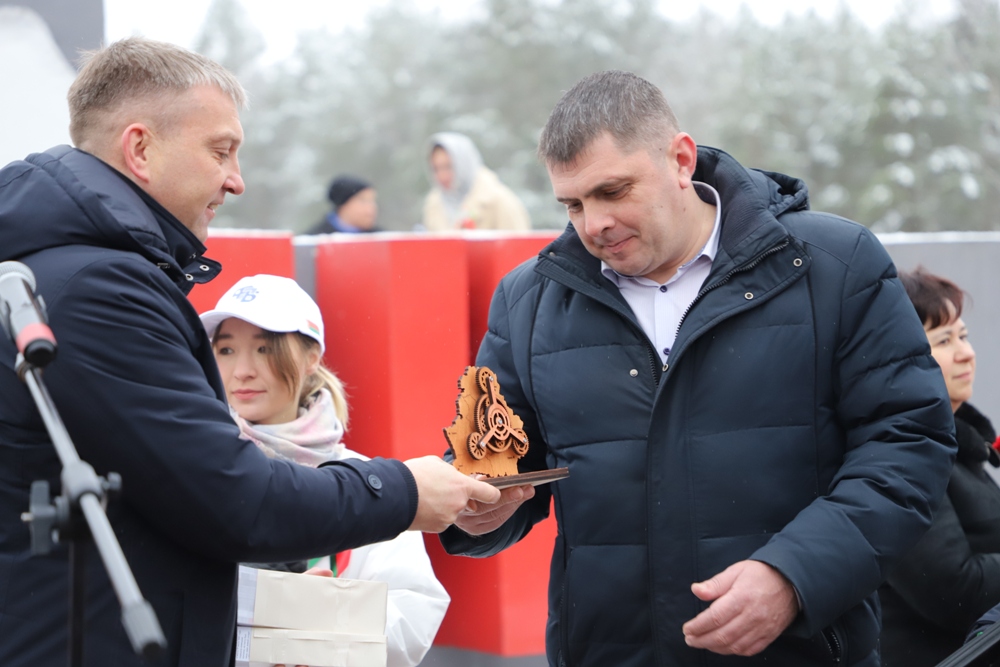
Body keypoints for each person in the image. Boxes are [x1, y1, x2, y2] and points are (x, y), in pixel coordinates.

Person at [0, 37, 498, 667]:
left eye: (268, 347)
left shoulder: (64, 272)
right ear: (140, 149)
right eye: (220, 151)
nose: (236, 180)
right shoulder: (99, 288)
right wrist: (404, 490)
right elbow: (235, 501)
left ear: (311, 358)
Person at [440, 70, 957, 666]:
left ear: (681, 160)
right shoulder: (526, 300)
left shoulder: (835, 266)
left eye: (613, 191)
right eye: (573, 204)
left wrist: (795, 575)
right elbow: (493, 460)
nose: (592, 224)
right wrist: (477, 506)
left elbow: (908, 442)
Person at [200, 274, 449, 667]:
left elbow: (412, 613)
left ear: (311, 357)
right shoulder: (194, 469)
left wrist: (326, 619)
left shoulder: (366, 479)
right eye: (226, 349)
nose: (242, 370)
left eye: (264, 348)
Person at [878, 267, 1000, 667]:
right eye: (944, 341)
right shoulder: (899, 454)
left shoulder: (959, 447)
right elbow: (954, 590)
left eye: (963, 336)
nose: (966, 352)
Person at [421, 131, 531, 231]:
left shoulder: (500, 202)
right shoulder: (434, 205)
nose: (442, 176)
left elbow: (519, 244)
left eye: (448, 167)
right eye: (436, 169)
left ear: (464, 164)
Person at [307, 174, 380, 234]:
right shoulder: (312, 241)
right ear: (343, 204)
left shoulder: (381, 238)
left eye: (372, 201)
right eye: (363, 201)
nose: (372, 207)